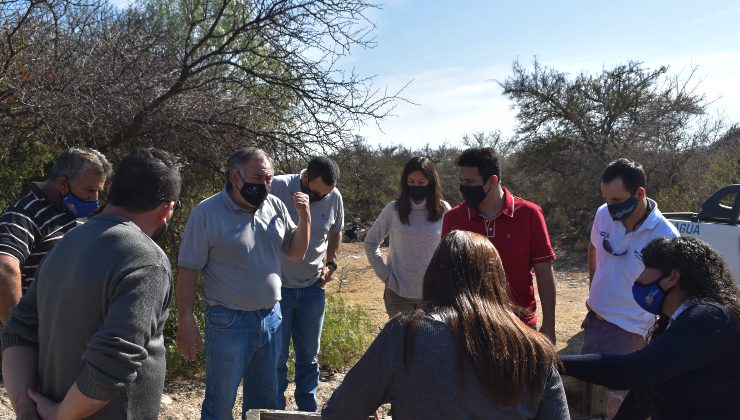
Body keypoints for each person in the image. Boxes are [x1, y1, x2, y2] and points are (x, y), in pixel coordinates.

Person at [1, 147, 181, 419]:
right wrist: (61, 414)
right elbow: (114, 360)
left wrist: (26, 408)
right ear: (167, 209)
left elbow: (18, 330)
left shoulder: (65, 243)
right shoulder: (147, 260)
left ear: (110, 193)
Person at [323, 231, 569, 419]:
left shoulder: (404, 336)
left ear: (433, 276)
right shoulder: (535, 350)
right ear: (497, 281)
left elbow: (339, 412)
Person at [176, 147, 310, 419]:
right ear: (234, 176)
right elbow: (188, 270)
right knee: (220, 403)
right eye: (257, 177)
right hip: (227, 322)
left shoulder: (275, 206)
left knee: (264, 404)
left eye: (269, 178)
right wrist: (186, 322)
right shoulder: (207, 212)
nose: (264, 185)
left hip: (271, 319)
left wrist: (305, 217)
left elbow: (296, 253)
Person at [561, 236, 740, 419]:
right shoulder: (677, 320)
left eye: (646, 269)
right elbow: (644, 390)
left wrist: (554, 362)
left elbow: (632, 371)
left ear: (672, 277)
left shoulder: (708, 319)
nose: (639, 278)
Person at [582, 158, 679, 416]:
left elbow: (672, 293)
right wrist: (595, 291)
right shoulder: (603, 214)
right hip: (594, 322)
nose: (609, 207)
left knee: (615, 406)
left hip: (629, 332)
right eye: (605, 198)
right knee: (584, 399)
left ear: (639, 194)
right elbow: (593, 247)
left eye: (616, 200)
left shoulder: (665, 236)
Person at [441, 147, 556, 342]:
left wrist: (549, 327)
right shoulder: (454, 218)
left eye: (469, 182)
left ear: (492, 181)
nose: (463, 188)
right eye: (461, 181)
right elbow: (445, 274)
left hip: (521, 325)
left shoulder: (529, 214)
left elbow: (544, 271)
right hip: (470, 326)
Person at [0, 147, 111, 323]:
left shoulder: (79, 214)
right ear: (62, 183)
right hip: (38, 340)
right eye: (89, 190)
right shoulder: (24, 214)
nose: (95, 199)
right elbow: (4, 268)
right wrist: (18, 334)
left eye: (98, 191)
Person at [270, 156, 344, 412]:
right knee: (276, 357)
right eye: (317, 193)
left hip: (313, 288)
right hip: (277, 289)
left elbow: (336, 230)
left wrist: (332, 263)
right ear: (305, 179)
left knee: (309, 357)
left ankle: (307, 409)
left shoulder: (334, 196)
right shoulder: (277, 186)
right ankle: (276, 409)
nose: (322, 198)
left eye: (326, 194)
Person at [364, 157, 450, 318]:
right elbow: (370, 242)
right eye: (411, 181)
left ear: (430, 182)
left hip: (433, 296)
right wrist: (385, 275)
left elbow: (453, 248)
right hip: (398, 295)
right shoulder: (393, 209)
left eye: (421, 182)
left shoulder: (444, 209)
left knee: (430, 342)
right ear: (405, 182)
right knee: (402, 343)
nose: (415, 186)